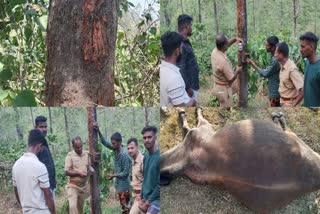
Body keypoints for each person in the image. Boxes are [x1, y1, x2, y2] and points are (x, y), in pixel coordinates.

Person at [12, 129, 56, 214]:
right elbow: (48, 196)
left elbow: (16, 191)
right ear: (39, 146)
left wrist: (23, 207)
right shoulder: (39, 166)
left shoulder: (16, 166)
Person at [93, 123, 131, 214]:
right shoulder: (115, 149)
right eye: (112, 143)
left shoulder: (124, 155)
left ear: (120, 142)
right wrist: (98, 131)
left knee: (126, 206)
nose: (112, 145)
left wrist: (113, 175)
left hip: (124, 185)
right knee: (123, 205)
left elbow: (125, 173)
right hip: (119, 184)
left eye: (114, 143)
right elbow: (105, 143)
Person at [160, 31, 196, 107]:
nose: (182, 50)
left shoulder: (161, 69)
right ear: (177, 51)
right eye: (181, 48)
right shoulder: (173, 78)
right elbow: (180, 107)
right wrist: (192, 102)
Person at [130, 126, 160, 214]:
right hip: (145, 197)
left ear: (155, 138)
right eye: (144, 138)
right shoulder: (146, 156)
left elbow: (159, 185)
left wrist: (147, 203)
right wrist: (141, 196)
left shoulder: (159, 157)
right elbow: (145, 178)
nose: (146, 140)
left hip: (156, 199)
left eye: (149, 137)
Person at [247, 36, 281, 107]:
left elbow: (265, 73)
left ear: (273, 47)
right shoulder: (274, 58)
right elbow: (269, 71)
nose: (265, 47)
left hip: (275, 93)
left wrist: (253, 64)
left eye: (267, 45)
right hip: (275, 91)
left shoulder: (275, 60)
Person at [211, 34, 243, 107]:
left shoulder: (215, 51)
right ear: (223, 46)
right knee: (226, 108)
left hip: (217, 86)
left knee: (220, 104)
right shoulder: (222, 61)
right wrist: (237, 71)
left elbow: (227, 44)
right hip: (223, 89)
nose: (228, 44)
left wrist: (235, 39)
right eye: (226, 43)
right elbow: (230, 79)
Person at [65, 136, 92, 214]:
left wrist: (90, 170)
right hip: (73, 186)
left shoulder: (87, 154)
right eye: (77, 148)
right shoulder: (70, 156)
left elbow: (89, 167)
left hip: (83, 187)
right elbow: (66, 171)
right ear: (73, 146)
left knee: (79, 209)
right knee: (72, 207)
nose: (79, 149)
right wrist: (79, 173)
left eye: (81, 147)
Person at [176, 14, 200, 101]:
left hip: (192, 85)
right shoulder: (180, 43)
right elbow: (180, 67)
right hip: (188, 89)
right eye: (191, 25)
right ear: (186, 26)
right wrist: (188, 88)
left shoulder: (185, 42)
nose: (191, 28)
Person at [274, 42, 304, 107]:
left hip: (289, 104)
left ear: (281, 54)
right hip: (282, 102)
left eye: (276, 53)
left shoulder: (292, 70)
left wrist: (293, 105)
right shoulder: (282, 66)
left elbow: (302, 90)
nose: (274, 55)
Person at [34, 115, 56, 199]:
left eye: (45, 127)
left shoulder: (43, 141)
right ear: (35, 127)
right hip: (43, 188)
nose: (44, 129)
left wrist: (53, 179)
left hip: (50, 184)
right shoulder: (35, 144)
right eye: (41, 127)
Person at [299, 32, 320, 107]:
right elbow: (306, 87)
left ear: (311, 47)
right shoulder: (307, 63)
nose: (300, 50)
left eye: (303, 47)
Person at [127, 138, 144, 206]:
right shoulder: (133, 161)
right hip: (135, 196)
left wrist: (142, 196)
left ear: (137, 147)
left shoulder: (143, 161)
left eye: (132, 148)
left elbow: (148, 181)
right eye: (128, 148)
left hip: (142, 197)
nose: (130, 150)